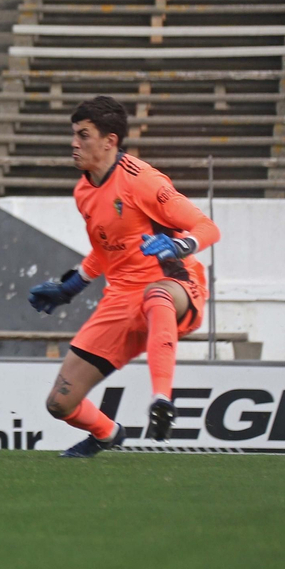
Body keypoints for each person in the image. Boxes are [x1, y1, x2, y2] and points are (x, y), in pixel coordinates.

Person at [27, 96, 220, 457]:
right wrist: (71, 287)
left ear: (109, 140)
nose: (74, 142)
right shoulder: (84, 191)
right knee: (59, 404)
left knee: (157, 296)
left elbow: (207, 227)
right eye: (73, 134)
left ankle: (161, 399)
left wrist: (180, 247)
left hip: (176, 284)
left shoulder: (142, 181)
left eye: (83, 135)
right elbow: (105, 249)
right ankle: (107, 434)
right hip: (120, 297)